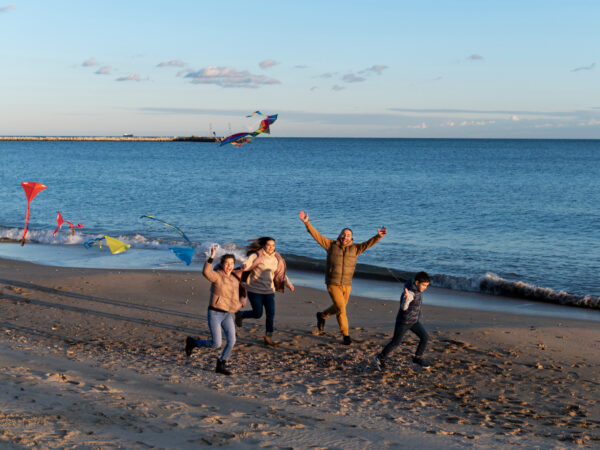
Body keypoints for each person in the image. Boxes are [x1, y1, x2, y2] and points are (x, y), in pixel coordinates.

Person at [298, 210, 387, 345]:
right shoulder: (330, 245)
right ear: (339, 235)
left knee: (340, 307)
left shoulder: (356, 249)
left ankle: (322, 315)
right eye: (343, 234)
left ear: (352, 238)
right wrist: (306, 223)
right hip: (332, 283)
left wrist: (378, 236)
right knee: (341, 309)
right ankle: (345, 335)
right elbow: (316, 235)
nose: (345, 237)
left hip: (347, 284)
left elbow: (368, 243)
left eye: (348, 235)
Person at [185, 245, 246, 375]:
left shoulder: (235, 276)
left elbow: (244, 281)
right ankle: (193, 342)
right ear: (222, 264)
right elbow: (206, 272)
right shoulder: (217, 276)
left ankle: (221, 364)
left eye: (232, 264)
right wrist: (211, 257)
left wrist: (242, 299)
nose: (229, 266)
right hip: (215, 313)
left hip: (228, 314)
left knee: (232, 341)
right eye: (227, 263)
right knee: (216, 343)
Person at [235, 237, 294, 347]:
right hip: (254, 290)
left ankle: (268, 336)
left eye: (273, 245)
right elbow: (248, 263)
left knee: (270, 314)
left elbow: (280, 273)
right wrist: (244, 266)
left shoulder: (277, 258)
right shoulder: (256, 255)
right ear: (263, 245)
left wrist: (288, 284)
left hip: (269, 291)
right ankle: (241, 314)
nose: (271, 247)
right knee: (258, 314)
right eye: (269, 245)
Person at [373, 271, 431, 370]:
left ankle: (417, 357)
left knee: (425, 337)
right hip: (403, 322)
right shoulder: (410, 293)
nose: (425, 288)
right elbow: (404, 307)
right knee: (396, 342)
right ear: (417, 283)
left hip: (414, 321)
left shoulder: (416, 289)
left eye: (426, 286)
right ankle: (379, 357)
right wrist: (407, 298)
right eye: (424, 285)